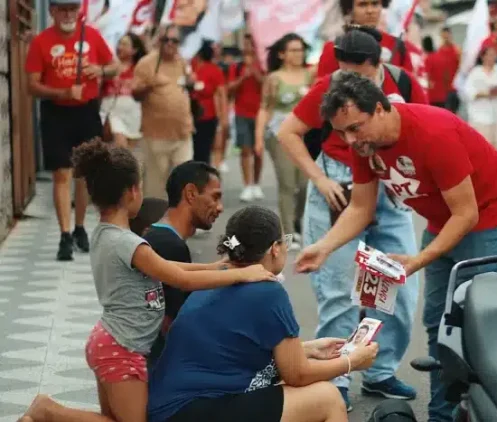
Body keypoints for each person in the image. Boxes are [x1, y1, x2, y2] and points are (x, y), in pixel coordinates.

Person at [295, 72, 497, 422]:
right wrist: (324, 246)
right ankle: (442, 415)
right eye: (342, 132)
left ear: (382, 108)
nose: (351, 140)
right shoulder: (364, 146)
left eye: (356, 127)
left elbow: (466, 213)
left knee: (474, 323)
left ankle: (483, 412)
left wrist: (418, 259)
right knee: (439, 321)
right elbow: (360, 208)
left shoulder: (433, 133)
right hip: (442, 220)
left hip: (487, 217)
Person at [18, 140, 274, 422]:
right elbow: (178, 279)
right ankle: (49, 411)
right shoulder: (129, 244)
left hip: (111, 341)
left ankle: (49, 412)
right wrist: (243, 273)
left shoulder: (107, 235)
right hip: (121, 348)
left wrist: (215, 266)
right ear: (132, 192)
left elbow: (167, 268)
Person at [277, 27, 426, 410]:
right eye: (341, 67)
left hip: (389, 194)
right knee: (338, 293)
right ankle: (336, 376)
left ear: (376, 65)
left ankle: (380, 370)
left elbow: (425, 127)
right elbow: (288, 132)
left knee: (397, 287)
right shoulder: (331, 87)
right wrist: (319, 179)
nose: (346, 77)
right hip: (339, 189)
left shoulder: (402, 82)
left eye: (355, 70)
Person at [147, 206, 379, 422]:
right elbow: (297, 375)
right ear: (275, 249)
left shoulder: (215, 279)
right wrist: (352, 361)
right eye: (285, 241)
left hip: (168, 408)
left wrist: (308, 349)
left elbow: (235, 350)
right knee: (327, 397)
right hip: (193, 409)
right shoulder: (267, 291)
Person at [25, 0, 119, 261]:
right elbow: (31, 86)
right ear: (52, 11)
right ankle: (64, 234)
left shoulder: (92, 36)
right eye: (63, 9)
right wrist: (62, 92)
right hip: (56, 113)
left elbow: (116, 66)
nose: (68, 14)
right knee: (61, 173)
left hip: (87, 111)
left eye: (72, 9)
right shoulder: (41, 41)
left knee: (85, 173)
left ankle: (79, 227)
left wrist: (100, 69)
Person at [146, 161, 225, 367]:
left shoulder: (160, 236)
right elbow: (173, 323)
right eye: (214, 197)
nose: (220, 208)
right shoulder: (169, 245)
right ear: (191, 193)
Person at [255, 33, 314, 251]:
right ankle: (288, 235)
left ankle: (299, 225)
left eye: (301, 50)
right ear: (282, 54)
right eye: (294, 50)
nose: (298, 54)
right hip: (279, 137)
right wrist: (258, 138)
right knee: (288, 185)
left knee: (305, 185)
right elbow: (264, 108)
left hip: (306, 137)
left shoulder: (311, 75)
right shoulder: (274, 78)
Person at [132, 25, 194, 200]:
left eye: (174, 41)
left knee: (186, 178)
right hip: (155, 136)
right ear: (158, 41)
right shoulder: (147, 63)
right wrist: (147, 86)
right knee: (156, 187)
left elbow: (187, 86)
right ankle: (155, 223)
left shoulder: (182, 62)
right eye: (165, 40)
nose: (169, 44)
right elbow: (135, 93)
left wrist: (191, 83)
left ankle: (184, 222)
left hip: (182, 133)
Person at [316, 0, 413, 78]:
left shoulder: (396, 45)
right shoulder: (334, 47)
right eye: (362, 4)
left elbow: (410, 86)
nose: (370, 11)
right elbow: (322, 92)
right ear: (350, 9)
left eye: (375, 4)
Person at [229, 33, 266, 202]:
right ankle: (247, 185)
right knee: (245, 149)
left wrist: (255, 73)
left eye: (251, 43)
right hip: (241, 112)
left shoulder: (262, 64)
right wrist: (242, 77)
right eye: (245, 43)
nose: (248, 46)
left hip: (260, 113)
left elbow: (267, 86)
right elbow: (229, 89)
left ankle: (256, 184)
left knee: (258, 151)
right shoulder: (236, 67)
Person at [465, 40, 497, 158]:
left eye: (493, 55)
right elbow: (469, 92)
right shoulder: (475, 73)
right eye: (489, 55)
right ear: (483, 57)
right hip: (481, 115)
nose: (491, 58)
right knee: (483, 148)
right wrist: (486, 93)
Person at [190, 40, 228, 164]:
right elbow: (222, 94)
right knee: (203, 150)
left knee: (200, 149)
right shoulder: (212, 69)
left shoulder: (194, 67)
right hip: (202, 115)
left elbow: (221, 93)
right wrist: (223, 116)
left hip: (202, 114)